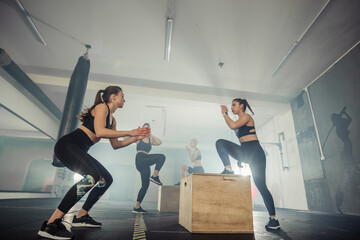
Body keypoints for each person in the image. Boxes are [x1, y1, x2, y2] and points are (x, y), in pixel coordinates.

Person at [38, 86, 150, 240]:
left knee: (106, 179)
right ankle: (51, 224)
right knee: (92, 176)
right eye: (122, 96)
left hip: (79, 149)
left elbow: (116, 145)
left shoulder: (113, 119)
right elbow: (100, 132)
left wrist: (135, 138)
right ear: (113, 97)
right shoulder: (101, 107)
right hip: (68, 145)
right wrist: (130, 131)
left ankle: (81, 216)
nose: (124, 99)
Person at [215, 98, 280, 230]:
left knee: (261, 186)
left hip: (256, 154)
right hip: (246, 152)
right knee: (220, 143)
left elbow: (232, 125)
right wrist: (240, 158)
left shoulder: (246, 116)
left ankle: (273, 219)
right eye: (231, 106)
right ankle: (228, 169)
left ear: (241, 106)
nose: (231, 107)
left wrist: (224, 114)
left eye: (234, 105)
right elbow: (243, 141)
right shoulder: (240, 121)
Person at [133, 123, 166, 213]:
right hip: (140, 158)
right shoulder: (138, 138)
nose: (146, 130)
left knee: (145, 185)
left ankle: (137, 207)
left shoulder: (150, 140)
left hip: (146, 163)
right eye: (145, 128)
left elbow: (159, 142)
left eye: (148, 129)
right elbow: (127, 138)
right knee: (162, 157)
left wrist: (150, 134)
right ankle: (155, 176)